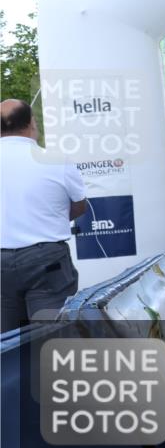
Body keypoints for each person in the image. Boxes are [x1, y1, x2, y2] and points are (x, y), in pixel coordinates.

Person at [1, 100, 88, 332]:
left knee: (6, 341)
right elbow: (80, 206)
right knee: (50, 337)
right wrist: (49, 220)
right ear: (31, 123)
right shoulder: (57, 160)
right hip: (46, 260)